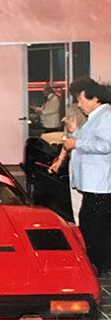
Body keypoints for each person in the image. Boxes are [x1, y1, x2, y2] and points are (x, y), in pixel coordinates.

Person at [63, 83, 111, 274]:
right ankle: (97, 262)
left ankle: (99, 264)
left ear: (95, 99)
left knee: (95, 226)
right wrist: (75, 131)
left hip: (100, 183)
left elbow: (106, 145)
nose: (79, 104)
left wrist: (77, 142)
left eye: (81, 99)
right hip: (93, 183)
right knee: (90, 223)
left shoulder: (106, 117)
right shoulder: (95, 117)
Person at [49, 77, 97, 224]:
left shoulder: (102, 114)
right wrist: (60, 159)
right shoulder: (74, 110)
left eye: (80, 97)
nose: (79, 102)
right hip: (78, 160)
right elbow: (68, 138)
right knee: (78, 203)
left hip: (95, 163)